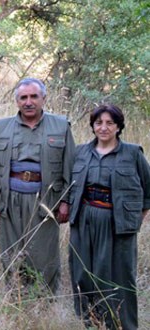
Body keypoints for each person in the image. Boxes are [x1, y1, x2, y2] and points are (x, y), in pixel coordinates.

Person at [0, 78, 74, 294]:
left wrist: (66, 200)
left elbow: (69, 165)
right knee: (12, 249)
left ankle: (45, 299)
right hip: (11, 197)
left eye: (34, 96)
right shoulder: (2, 127)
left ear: (44, 98)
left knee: (44, 252)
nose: (28, 102)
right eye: (23, 97)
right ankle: (15, 294)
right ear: (17, 101)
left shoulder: (60, 125)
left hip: (46, 200)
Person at [68, 105, 150, 329]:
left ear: (119, 126)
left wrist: (135, 218)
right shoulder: (80, 152)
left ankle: (121, 325)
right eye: (98, 123)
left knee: (119, 278)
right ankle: (91, 323)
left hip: (117, 224)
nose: (103, 127)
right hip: (84, 219)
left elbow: (148, 191)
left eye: (109, 123)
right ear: (92, 126)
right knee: (83, 275)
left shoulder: (132, 153)